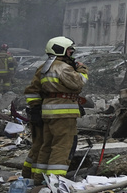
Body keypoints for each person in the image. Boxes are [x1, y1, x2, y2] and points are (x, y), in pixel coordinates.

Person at [35, 37, 88, 181]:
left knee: (47, 145)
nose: (71, 53)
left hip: (48, 111)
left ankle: (39, 179)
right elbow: (78, 83)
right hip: (63, 113)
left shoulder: (46, 67)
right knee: (62, 146)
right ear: (60, 49)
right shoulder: (63, 67)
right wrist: (82, 69)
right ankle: (55, 180)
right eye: (69, 50)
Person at [22, 70, 45, 182]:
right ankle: (35, 177)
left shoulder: (48, 68)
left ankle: (29, 174)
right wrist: (36, 108)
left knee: (38, 145)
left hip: (41, 113)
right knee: (41, 145)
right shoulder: (51, 68)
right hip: (40, 114)